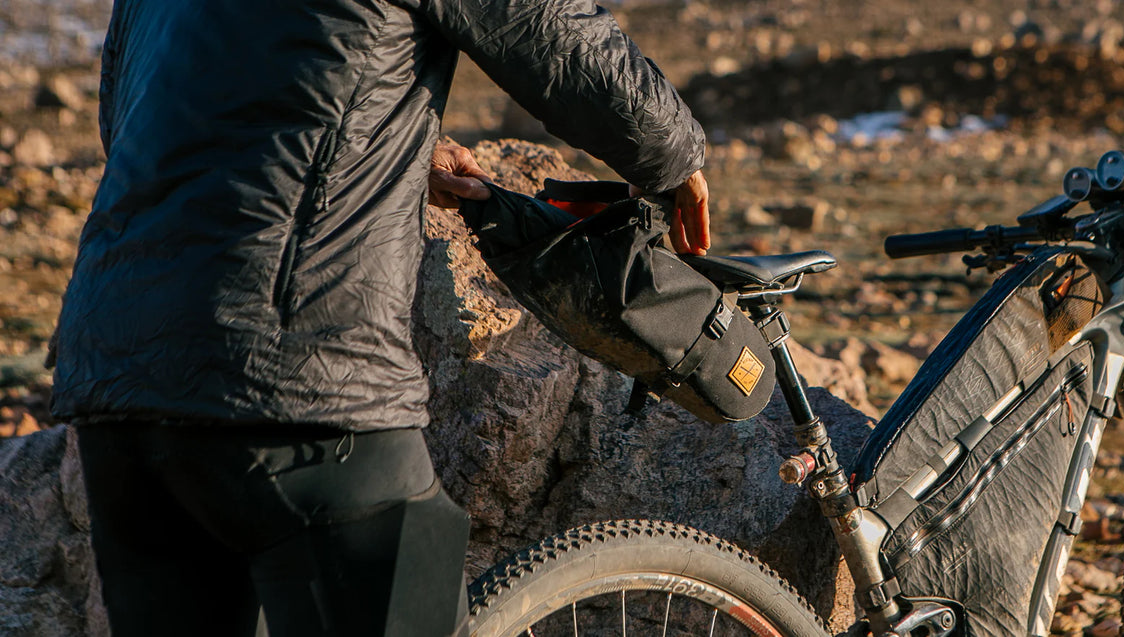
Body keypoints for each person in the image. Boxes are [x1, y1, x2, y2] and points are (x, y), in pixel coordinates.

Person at [50, 0, 711, 635]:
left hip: (119, 378)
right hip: (303, 378)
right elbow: (544, 26)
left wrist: (390, 139)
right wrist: (675, 156)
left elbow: (140, 119)